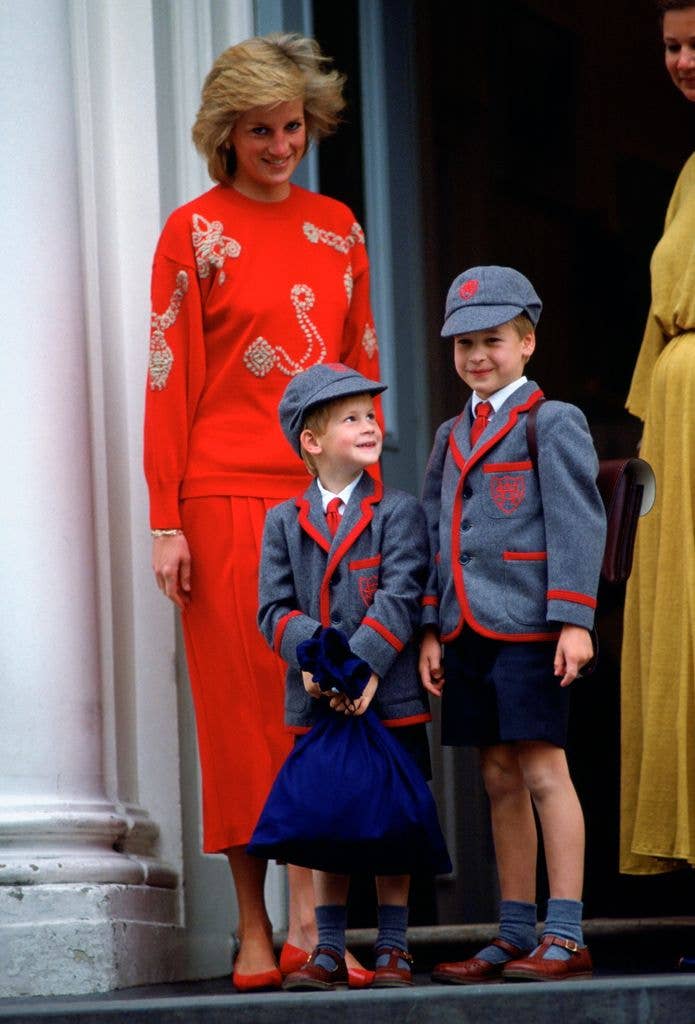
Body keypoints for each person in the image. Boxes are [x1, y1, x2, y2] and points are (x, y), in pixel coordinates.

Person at [143, 33, 380, 992]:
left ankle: (315, 935)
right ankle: (253, 931)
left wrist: (366, 496)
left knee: (326, 707)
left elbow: (361, 372)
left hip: (322, 499)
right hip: (220, 497)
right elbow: (169, 382)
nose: (280, 146)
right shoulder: (192, 230)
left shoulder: (341, 230)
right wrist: (166, 520)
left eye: (292, 127)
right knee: (241, 716)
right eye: (259, 131)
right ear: (225, 134)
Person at [419, 266, 606, 983]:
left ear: (525, 344)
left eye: (492, 341)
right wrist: (433, 626)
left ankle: (565, 930)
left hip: (530, 623)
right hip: (467, 628)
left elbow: (575, 520)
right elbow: (440, 534)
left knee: (539, 766)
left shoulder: (549, 419)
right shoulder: (448, 433)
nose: (476, 356)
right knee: (495, 775)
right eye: (463, 344)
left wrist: (573, 620)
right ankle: (514, 929)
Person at [256, 363, 440, 991]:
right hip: (319, 701)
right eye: (353, 417)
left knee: (393, 820)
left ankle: (394, 948)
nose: (370, 425)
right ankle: (329, 949)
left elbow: (400, 594)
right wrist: (320, 666)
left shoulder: (400, 511)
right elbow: (273, 611)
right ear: (312, 440)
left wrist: (359, 666)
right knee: (329, 824)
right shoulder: (283, 521)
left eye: (371, 415)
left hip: (387, 694)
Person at [620, 1, 695, 890]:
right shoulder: (685, 170)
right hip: (678, 435)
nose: (682, 61)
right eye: (671, 46)